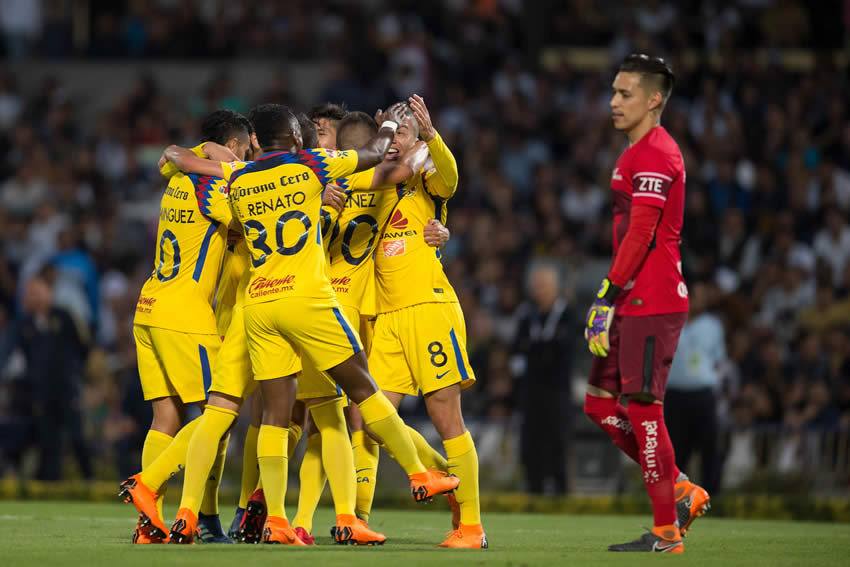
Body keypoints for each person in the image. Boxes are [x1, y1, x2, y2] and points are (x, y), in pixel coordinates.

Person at [157, 102, 459, 545]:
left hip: (258, 303)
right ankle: (415, 475)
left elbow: (193, 166)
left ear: (255, 142)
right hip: (311, 298)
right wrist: (395, 126)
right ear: (297, 140)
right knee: (360, 394)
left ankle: (273, 518)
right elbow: (380, 158)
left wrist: (186, 154)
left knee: (271, 418)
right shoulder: (315, 166)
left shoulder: (240, 179)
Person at [290, 110, 449, 545]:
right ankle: (418, 479)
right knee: (362, 418)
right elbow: (416, 169)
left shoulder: (316, 183)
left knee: (329, 423)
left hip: (301, 305)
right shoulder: (381, 181)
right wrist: (417, 138)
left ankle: (303, 520)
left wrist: (438, 231)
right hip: (350, 314)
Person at [582, 54, 709, 553]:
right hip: (633, 296)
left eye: (625, 93)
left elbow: (642, 231)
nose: (613, 102)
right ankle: (679, 485)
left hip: (650, 298)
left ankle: (666, 531)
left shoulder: (657, 152)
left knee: (643, 409)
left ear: (654, 99)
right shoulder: (634, 151)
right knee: (598, 404)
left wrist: (606, 294)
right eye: (613, 92)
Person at [351, 95, 487, 548]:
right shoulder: (377, 183)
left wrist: (430, 137)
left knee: (445, 414)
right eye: (388, 132)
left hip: (429, 308)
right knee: (372, 418)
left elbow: (449, 179)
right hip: (388, 316)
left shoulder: (425, 178)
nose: (393, 141)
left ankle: (471, 527)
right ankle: (444, 474)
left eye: (401, 132)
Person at [118, 109, 254, 543]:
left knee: (165, 417)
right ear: (233, 147)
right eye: (247, 148)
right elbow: (254, 218)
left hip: (149, 305)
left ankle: (149, 526)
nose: (252, 155)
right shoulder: (215, 184)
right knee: (220, 413)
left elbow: (170, 156)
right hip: (186, 315)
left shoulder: (178, 174)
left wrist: (197, 154)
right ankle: (151, 484)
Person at [512, 263, 573, 494]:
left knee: (558, 442)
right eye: (536, 285)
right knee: (531, 444)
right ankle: (533, 493)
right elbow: (517, 347)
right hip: (532, 391)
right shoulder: (527, 315)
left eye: (543, 285)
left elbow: (564, 348)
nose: (538, 290)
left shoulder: (568, 312)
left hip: (557, 391)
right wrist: (545, 349)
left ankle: (562, 494)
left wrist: (536, 350)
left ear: (556, 287)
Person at [665, 281, 726, 496]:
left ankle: (712, 497)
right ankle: (676, 499)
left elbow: (719, 361)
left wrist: (714, 384)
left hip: (702, 395)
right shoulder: (670, 321)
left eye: (701, 296)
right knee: (676, 451)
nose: (697, 300)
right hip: (675, 395)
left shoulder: (712, 325)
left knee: (709, 447)